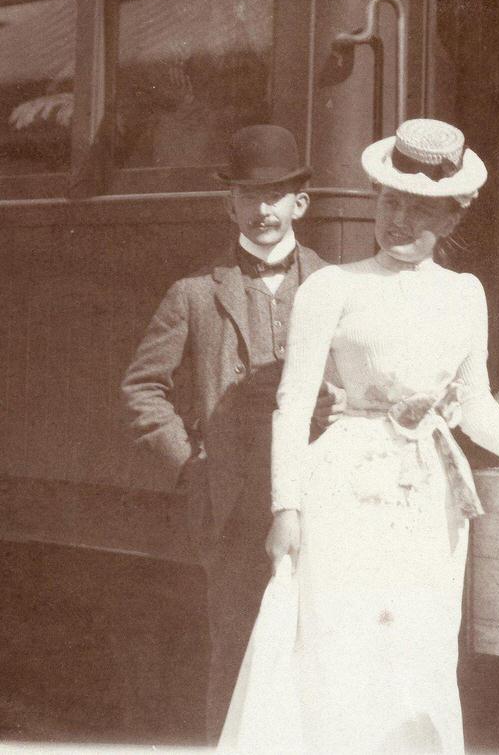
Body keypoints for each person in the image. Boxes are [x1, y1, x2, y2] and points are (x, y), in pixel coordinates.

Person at [255, 118, 499, 754]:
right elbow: (292, 405)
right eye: (390, 201)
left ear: (454, 219)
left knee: (418, 645)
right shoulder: (330, 288)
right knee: (341, 638)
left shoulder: (465, 295)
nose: (399, 220)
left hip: (430, 495)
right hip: (346, 488)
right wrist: (285, 507)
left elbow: (476, 402)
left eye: (421, 209)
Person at [120, 124, 338, 740]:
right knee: (238, 653)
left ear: (301, 202)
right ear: (230, 204)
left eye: (276, 194)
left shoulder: (334, 285)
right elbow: (142, 388)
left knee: (320, 652)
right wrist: (192, 467)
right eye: (248, 195)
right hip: (235, 508)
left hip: (321, 497)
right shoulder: (194, 293)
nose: (263, 209)